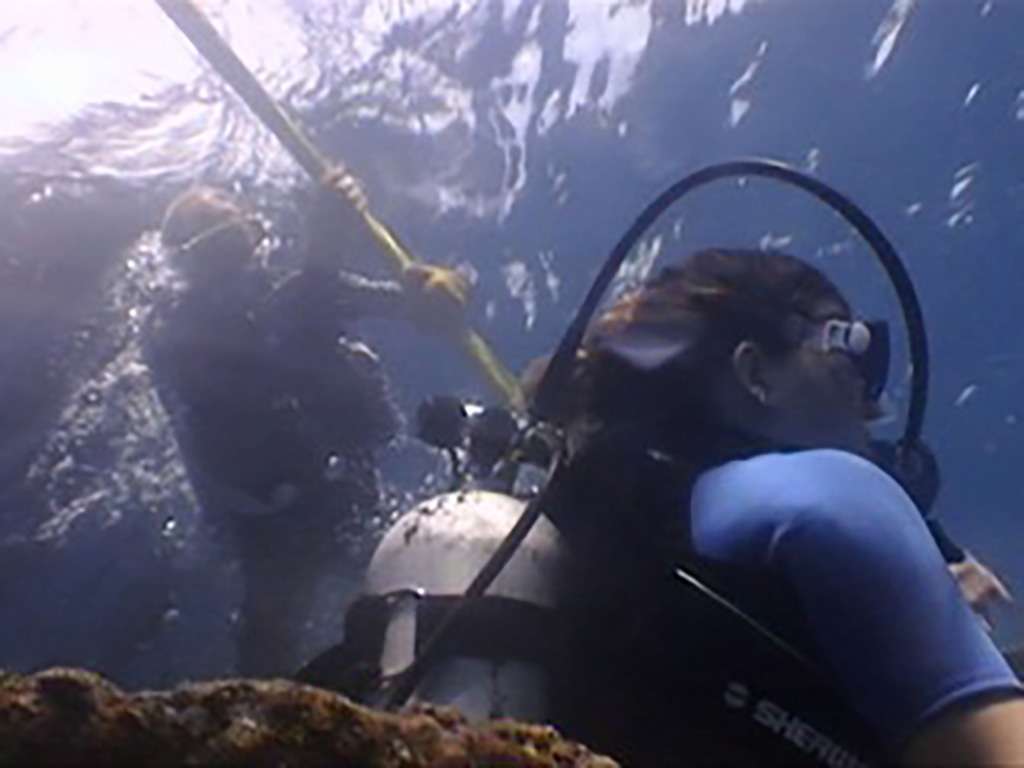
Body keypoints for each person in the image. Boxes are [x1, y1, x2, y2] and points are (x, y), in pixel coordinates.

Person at [540, 248, 1023, 765]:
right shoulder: (836, 493)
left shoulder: (613, 529)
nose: (869, 399)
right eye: (846, 351)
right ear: (756, 375)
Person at [144, 185, 465, 676]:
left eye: (239, 236)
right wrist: (322, 254)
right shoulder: (176, 329)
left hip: (336, 484)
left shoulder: (288, 293)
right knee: (271, 632)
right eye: (218, 246)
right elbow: (272, 340)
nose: (238, 258)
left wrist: (437, 291)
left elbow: (404, 305)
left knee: (407, 584)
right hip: (266, 519)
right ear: (191, 266)